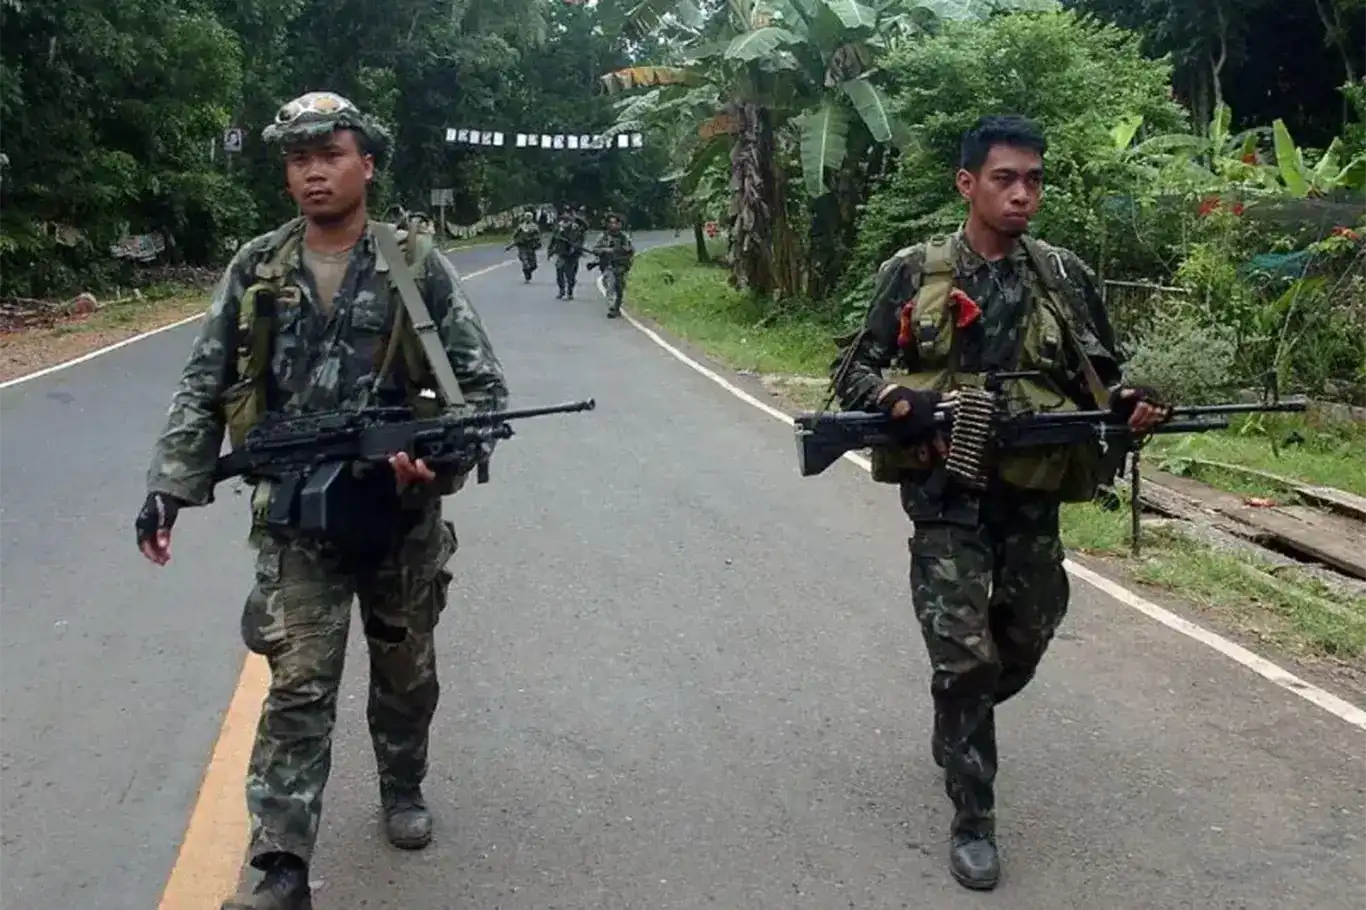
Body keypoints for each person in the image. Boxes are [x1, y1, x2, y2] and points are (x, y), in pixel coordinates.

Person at [134, 90, 510, 910]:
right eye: (299, 158)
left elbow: (482, 393)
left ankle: (402, 785)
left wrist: (436, 463)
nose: (313, 171)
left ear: (365, 164)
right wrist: (169, 488)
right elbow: (202, 386)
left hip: (399, 520)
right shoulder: (256, 268)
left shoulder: (413, 264)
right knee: (299, 682)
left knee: (405, 675)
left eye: (330, 154)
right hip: (297, 519)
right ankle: (282, 866)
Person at [828, 114, 1171, 891]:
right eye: (1005, 178)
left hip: (1032, 492)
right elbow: (851, 372)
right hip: (946, 491)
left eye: (1034, 180)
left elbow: (1101, 377)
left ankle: (958, 711)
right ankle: (974, 816)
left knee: (1029, 628)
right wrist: (897, 397)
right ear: (968, 184)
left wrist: (1131, 401)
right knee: (967, 656)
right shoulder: (915, 273)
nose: (1023, 195)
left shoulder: (1062, 275)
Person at [590, 212, 634, 318]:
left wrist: (619, 250)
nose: (613, 225)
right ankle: (612, 306)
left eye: (615, 223)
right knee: (610, 285)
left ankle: (617, 307)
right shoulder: (603, 237)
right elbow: (595, 249)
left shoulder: (624, 237)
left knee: (620, 288)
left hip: (621, 266)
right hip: (608, 266)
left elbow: (631, 250)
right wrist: (605, 250)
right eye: (611, 223)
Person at [547, 205, 587, 299]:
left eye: (568, 212)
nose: (566, 214)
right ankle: (561, 290)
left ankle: (570, 291)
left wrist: (575, 247)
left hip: (572, 255)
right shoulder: (559, 228)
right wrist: (550, 251)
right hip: (561, 253)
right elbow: (553, 239)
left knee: (570, 275)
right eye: (564, 212)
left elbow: (580, 240)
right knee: (559, 272)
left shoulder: (576, 228)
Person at [507, 210, 542, 282]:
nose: (527, 218)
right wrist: (511, 245)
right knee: (525, 262)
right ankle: (527, 276)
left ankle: (528, 273)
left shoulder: (534, 227)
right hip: (522, 246)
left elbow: (538, 236)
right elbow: (515, 236)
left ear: (531, 218)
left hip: (531, 247)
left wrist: (536, 242)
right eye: (526, 216)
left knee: (534, 265)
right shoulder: (521, 226)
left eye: (529, 217)